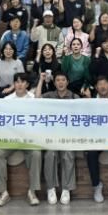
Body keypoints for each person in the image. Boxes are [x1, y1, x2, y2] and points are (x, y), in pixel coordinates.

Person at [0, 73, 42, 207]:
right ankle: (3, 193)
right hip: (11, 138)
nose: (19, 84)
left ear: (27, 84)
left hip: (28, 139)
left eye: (22, 82)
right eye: (17, 82)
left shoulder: (33, 98)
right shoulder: (7, 100)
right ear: (14, 84)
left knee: (36, 154)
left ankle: (32, 192)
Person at [35, 71, 78, 205]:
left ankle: (66, 189)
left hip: (68, 136)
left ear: (67, 82)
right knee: (50, 154)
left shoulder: (74, 97)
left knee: (68, 154)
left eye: (63, 80)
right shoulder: (49, 95)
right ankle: (51, 188)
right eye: (58, 80)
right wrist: (41, 81)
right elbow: (36, 99)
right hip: (52, 136)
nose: (60, 82)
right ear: (54, 83)